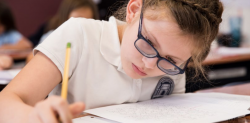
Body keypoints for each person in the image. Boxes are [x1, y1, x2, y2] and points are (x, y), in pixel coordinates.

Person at [0, 0, 223, 122]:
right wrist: (32, 116)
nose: (149, 64)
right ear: (134, 10)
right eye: (148, 42)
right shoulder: (79, 34)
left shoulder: (174, 66)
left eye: (170, 60)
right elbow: (6, 102)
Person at [26, 0, 99, 63]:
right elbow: (31, 59)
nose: (82, 26)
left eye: (88, 21)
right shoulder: (53, 36)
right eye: (77, 20)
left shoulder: (95, 40)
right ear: (65, 17)